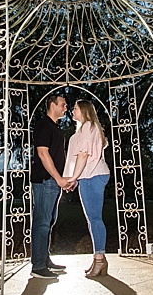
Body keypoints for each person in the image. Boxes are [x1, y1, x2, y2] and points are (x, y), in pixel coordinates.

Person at [65, 99, 111, 278]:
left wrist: (73, 178)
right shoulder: (85, 129)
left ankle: (99, 259)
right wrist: (75, 179)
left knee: (95, 219)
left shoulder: (87, 126)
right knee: (93, 219)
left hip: (92, 176)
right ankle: (99, 259)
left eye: (75, 108)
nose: (72, 111)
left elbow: (83, 156)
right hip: (89, 176)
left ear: (83, 110)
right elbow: (78, 159)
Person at [30, 93, 73, 278]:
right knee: (42, 222)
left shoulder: (54, 127)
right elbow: (42, 154)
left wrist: (64, 179)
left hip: (53, 181)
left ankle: (44, 260)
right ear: (52, 105)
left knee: (48, 221)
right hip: (45, 181)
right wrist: (58, 178)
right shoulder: (43, 125)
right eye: (63, 105)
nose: (66, 108)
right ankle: (38, 266)